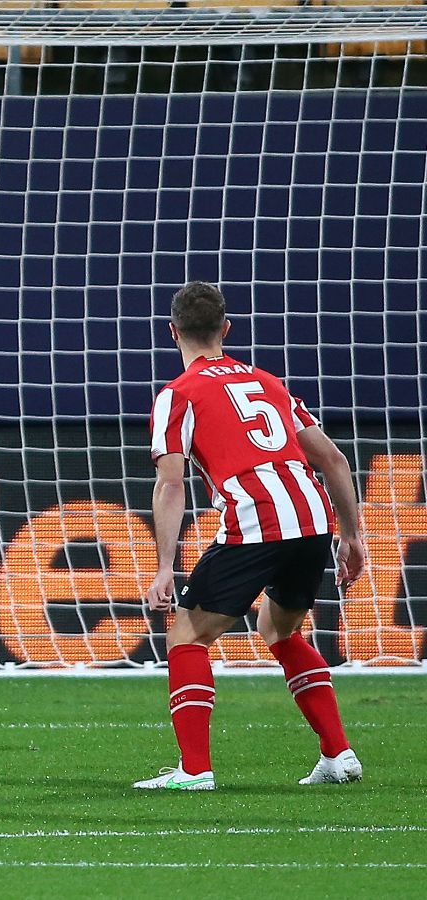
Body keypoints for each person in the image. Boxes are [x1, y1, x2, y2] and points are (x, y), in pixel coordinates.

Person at [137, 281, 367, 791]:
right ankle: (338, 753)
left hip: (257, 519)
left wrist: (162, 568)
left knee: (187, 634)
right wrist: (352, 536)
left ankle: (194, 770)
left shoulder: (178, 395)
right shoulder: (270, 383)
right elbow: (333, 460)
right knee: (278, 628)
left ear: (172, 332)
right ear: (227, 328)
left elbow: (170, 484)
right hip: (311, 519)